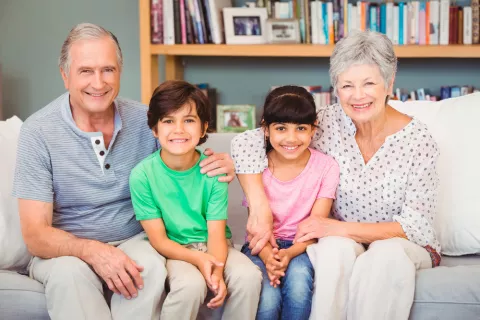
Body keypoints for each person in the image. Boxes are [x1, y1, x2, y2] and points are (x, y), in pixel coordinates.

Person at [12, 23, 235, 320]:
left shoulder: (147, 121)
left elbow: (183, 162)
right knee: (70, 277)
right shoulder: (38, 132)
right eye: (85, 71)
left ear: (120, 72)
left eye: (108, 70)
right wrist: (93, 251)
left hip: (135, 239)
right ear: (65, 75)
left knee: (151, 267)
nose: (99, 82)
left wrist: (224, 163)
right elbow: (35, 234)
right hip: (65, 251)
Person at [231, 30, 441, 320]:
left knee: (384, 256)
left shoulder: (418, 141)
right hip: (339, 240)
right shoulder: (327, 123)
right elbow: (247, 142)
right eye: (347, 85)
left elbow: (417, 227)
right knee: (332, 252)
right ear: (336, 88)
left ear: (389, 84)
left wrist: (335, 228)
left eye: (369, 83)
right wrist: (259, 206)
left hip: (403, 246)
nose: (358, 96)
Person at [129, 80, 262, 320]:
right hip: (175, 250)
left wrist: (217, 272)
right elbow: (158, 239)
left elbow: (216, 234)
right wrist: (198, 259)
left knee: (249, 277)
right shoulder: (142, 175)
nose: (178, 129)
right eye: (168, 121)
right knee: (190, 285)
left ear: (203, 129)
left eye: (188, 120)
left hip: (216, 246)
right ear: (154, 129)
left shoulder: (213, 170)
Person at [240, 85, 340, 320]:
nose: (291, 138)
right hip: (261, 246)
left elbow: (317, 225)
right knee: (267, 298)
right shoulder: (256, 165)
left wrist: (289, 254)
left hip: (303, 247)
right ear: (266, 129)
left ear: (313, 129)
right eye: (281, 128)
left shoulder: (326, 167)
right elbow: (254, 224)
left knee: (298, 288)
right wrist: (269, 257)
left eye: (301, 128)